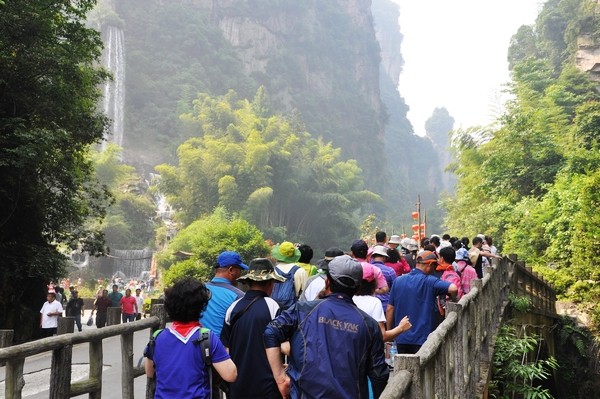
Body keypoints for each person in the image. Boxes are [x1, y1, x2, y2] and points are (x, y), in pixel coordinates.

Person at [264, 255, 389, 398]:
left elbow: (271, 332)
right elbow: (379, 374)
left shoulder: (303, 310)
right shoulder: (369, 325)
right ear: (358, 288)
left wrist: (280, 378)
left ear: (327, 282)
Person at [144, 277, 237, 399]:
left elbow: (150, 372)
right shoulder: (207, 338)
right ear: (201, 306)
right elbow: (231, 375)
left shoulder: (157, 338)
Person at [221, 258, 286, 399]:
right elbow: (284, 346)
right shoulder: (274, 307)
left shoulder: (233, 308)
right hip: (267, 387)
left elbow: (225, 349)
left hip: (238, 385)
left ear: (249, 282)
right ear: (271, 283)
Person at [386, 251, 458, 354]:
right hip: (423, 338)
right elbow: (453, 288)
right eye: (434, 266)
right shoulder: (430, 281)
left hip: (401, 336)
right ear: (429, 264)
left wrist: (391, 333)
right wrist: (453, 298)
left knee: (403, 368)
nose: (435, 269)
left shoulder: (398, 281)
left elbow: (390, 309)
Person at [200, 251, 248, 337]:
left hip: (199, 344)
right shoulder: (238, 296)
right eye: (240, 270)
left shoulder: (198, 290)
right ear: (231, 270)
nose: (240, 274)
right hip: (222, 348)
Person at [270, 241, 308, 309]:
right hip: (292, 311)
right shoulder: (300, 271)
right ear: (293, 255)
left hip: (274, 308)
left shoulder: (272, 271)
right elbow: (305, 295)